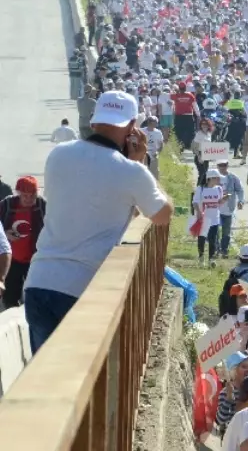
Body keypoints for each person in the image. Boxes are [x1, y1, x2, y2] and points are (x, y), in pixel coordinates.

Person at [22, 91, 172, 352]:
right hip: (83, 288)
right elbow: (162, 214)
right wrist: (141, 166)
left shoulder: (58, 155)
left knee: (45, 379)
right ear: (131, 126)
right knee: (80, 386)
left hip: (39, 281)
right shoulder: (131, 172)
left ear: (93, 122)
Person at [0, 176, 45, 309]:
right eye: (25, 196)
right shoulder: (7, 205)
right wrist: (6, 234)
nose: (29, 199)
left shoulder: (42, 205)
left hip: (35, 258)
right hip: (12, 260)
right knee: (10, 297)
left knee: (36, 295)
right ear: (18, 193)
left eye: (32, 196)